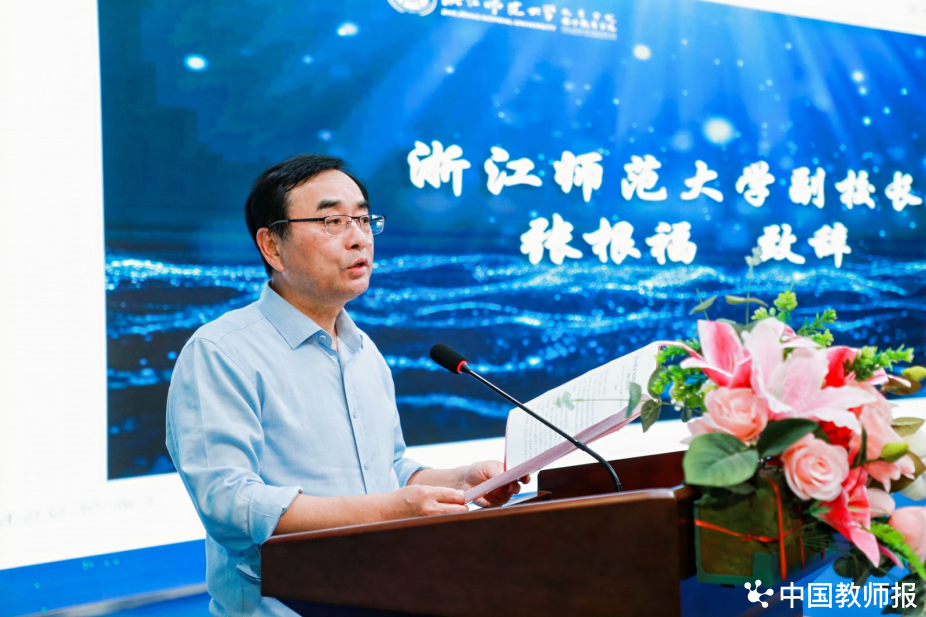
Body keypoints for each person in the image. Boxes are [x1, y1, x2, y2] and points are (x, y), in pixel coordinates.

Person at [166, 154, 525, 617]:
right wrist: (390, 510)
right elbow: (229, 503)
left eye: (363, 218)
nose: (359, 237)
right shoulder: (221, 351)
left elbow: (386, 469)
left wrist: (459, 482)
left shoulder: (363, 351)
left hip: (384, 597)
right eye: (333, 221)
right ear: (272, 246)